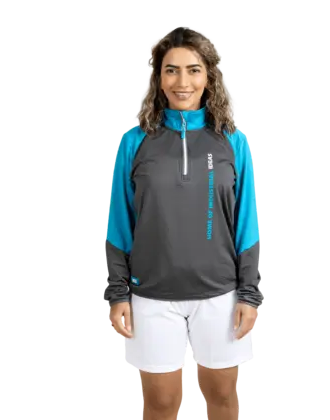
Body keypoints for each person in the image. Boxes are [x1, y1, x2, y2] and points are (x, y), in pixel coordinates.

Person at [104, 25, 262, 420]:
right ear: (158, 78)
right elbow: (120, 221)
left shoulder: (232, 140)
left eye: (193, 70)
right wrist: (117, 293)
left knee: (222, 397)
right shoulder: (135, 141)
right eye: (171, 70)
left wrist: (249, 293)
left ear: (209, 76)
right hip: (151, 295)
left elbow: (246, 222)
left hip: (220, 294)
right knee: (159, 404)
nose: (182, 82)